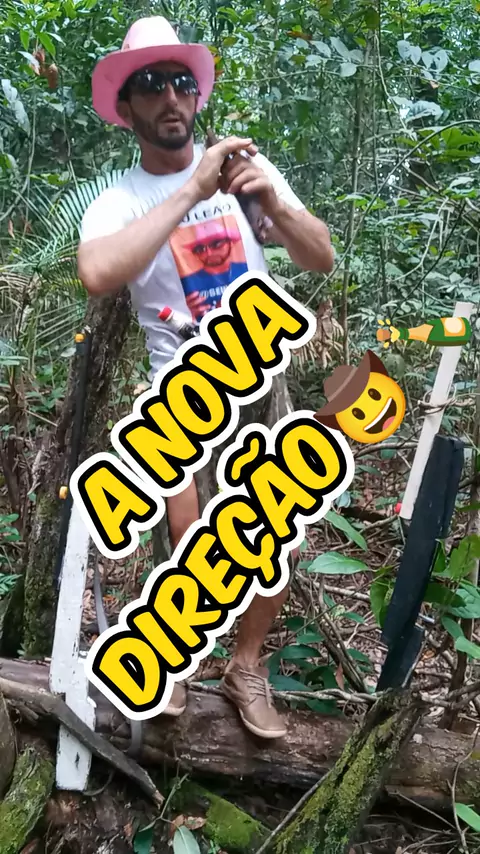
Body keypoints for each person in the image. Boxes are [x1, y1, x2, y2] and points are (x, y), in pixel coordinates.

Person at [78, 15, 334, 739]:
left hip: (259, 375)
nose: (169, 97)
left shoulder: (250, 176)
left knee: (272, 531)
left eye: (180, 82)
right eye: (149, 84)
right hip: (182, 392)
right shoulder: (121, 200)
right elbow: (98, 272)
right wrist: (191, 191)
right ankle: (172, 662)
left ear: (196, 96)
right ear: (126, 107)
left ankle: (246, 667)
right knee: (186, 535)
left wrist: (273, 203)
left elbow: (320, 256)